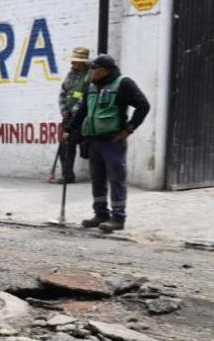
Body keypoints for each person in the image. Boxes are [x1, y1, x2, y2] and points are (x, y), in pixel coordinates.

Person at [64, 54, 150, 232]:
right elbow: (82, 111)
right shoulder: (92, 86)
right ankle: (100, 214)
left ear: (104, 70)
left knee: (116, 179)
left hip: (113, 141)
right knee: (97, 178)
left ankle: (118, 218)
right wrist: (69, 129)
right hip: (94, 140)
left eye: (93, 69)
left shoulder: (123, 83)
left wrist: (128, 129)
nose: (91, 72)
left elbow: (143, 105)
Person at [58, 47, 91, 184]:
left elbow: (86, 97)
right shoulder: (70, 74)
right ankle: (67, 174)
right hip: (68, 116)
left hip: (82, 117)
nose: (72, 64)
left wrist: (75, 111)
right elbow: (63, 92)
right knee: (64, 145)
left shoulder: (89, 75)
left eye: (75, 61)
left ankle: (68, 176)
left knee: (71, 142)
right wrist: (64, 109)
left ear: (82, 62)